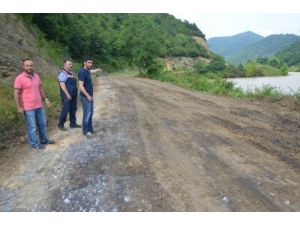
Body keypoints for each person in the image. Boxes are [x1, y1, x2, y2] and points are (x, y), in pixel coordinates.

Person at [14, 59, 54, 150]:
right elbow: (16, 93)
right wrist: (19, 107)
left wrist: (46, 99)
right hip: (28, 107)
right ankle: (34, 143)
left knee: (42, 124)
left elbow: (40, 89)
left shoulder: (36, 76)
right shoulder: (19, 78)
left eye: (31, 65)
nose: (29, 67)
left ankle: (43, 140)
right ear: (23, 66)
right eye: (27, 66)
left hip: (39, 105)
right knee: (32, 126)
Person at [78, 56, 102, 137]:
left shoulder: (87, 70)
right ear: (84, 62)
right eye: (89, 62)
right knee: (87, 114)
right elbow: (81, 86)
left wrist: (97, 70)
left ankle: (90, 129)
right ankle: (86, 131)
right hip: (85, 97)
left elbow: (92, 71)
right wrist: (88, 96)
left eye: (91, 63)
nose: (90, 64)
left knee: (90, 113)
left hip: (90, 96)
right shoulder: (82, 72)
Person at [57, 59, 81, 131]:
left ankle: (73, 123)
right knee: (65, 109)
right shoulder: (62, 73)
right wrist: (67, 94)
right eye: (69, 64)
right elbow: (62, 84)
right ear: (64, 64)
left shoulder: (71, 73)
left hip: (73, 95)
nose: (71, 65)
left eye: (71, 64)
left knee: (73, 108)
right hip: (66, 95)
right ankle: (61, 124)